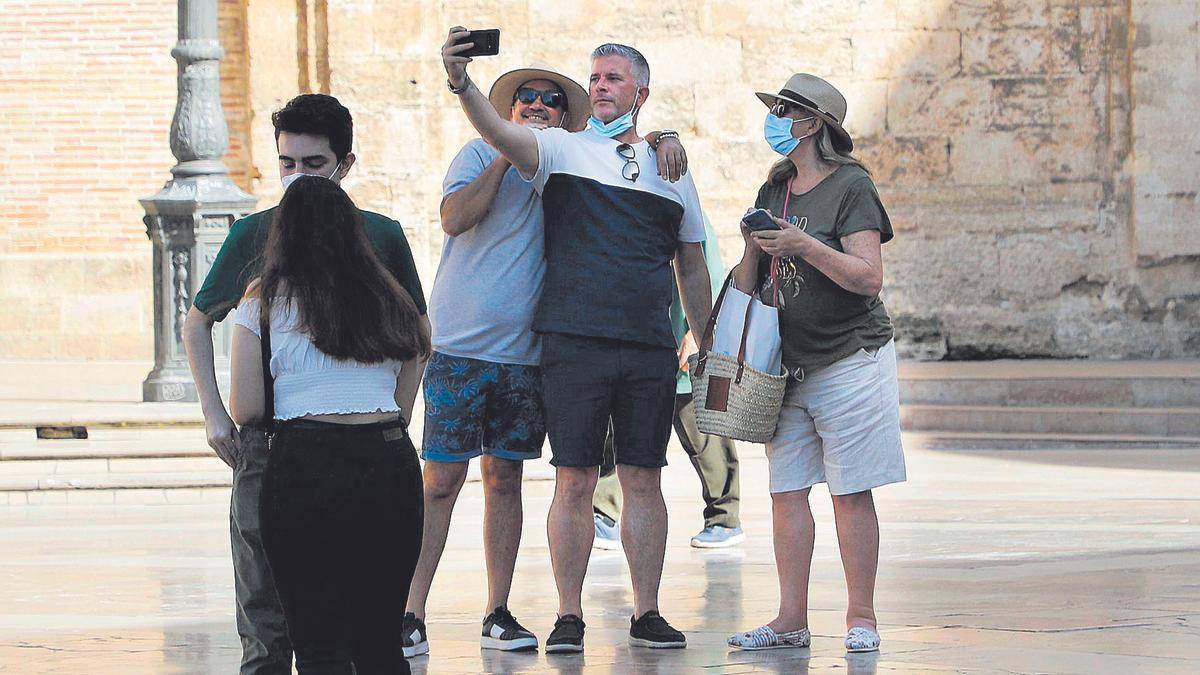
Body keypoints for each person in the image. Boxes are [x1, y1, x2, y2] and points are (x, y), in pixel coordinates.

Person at [404, 63, 691, 657]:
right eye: (526, 99)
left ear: (566, 116)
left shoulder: (565, 161)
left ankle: (499, 610)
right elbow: (454, 219)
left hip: (529, 351)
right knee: (440, 482)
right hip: (461, 345)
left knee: (504, 480)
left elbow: (625, 163)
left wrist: (665, 137)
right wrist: (506, 150)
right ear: (508, 112)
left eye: (551, 100)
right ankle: (408, 611)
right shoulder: (479, 155)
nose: (537, 104)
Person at [182, 94, 428, 675]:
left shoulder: (380, 235)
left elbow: (418, 333)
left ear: (344, 164)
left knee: (349, 624)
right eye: (286, 164)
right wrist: (213, 415)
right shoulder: (254, 234)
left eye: (311, 165)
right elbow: (198, 320)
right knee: (267, 611)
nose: (295, 178)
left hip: (340, 447)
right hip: (277, 443)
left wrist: (396, 409)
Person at [725, 74, 905, 654]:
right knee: (786, 491)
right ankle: (790, 618)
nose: (775, 118)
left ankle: (862, 617)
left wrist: (804, 246)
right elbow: (749, 283)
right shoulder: (775, 186)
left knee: (850, 491)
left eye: (784, 110)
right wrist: (754, 245)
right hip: (789, 363)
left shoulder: (852, 186)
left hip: (850, 356)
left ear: (813, 123)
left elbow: (868, 277)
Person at [228, 176, 429, 673]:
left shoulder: (262, 300)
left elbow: (247, 408)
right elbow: (422, 345)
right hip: (387, 460)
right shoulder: (389, 297)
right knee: (381, 640)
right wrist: (394, 405)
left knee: (318, 641)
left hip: (304, 462)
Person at [592, 213, 744, 551]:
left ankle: (724, 517)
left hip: (680, 346)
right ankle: (604, 512)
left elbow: (712, 276)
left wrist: (697, 333)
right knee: (618, 430)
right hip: (639, 348)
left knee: (705, 435)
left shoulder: (690, 215)